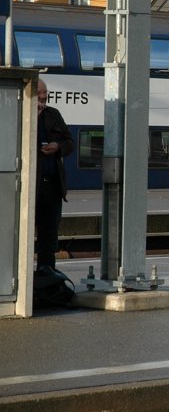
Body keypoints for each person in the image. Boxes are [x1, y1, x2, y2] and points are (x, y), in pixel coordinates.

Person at [36, 79, 73, 271]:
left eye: (45, 92)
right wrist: (34, 116)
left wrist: (58, 146)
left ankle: (46, 273)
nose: (43, 96)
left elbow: (69, 142)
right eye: (39, 93)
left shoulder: (53, 114)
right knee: (23, 232)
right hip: (30, 186)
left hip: (52, 185)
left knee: (49, 235)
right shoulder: (20, 113)